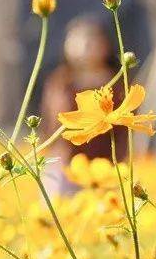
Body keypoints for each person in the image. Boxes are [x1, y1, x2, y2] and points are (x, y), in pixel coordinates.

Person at [40, 14, 126, 187]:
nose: (82, 47)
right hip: (63, 168)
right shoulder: (60, 81)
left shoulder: (116, 85)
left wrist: (117, 166)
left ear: (104, 46)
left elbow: (124, 132)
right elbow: (48, 124)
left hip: (103, 170)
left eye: (89, 41)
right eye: (75, 40)